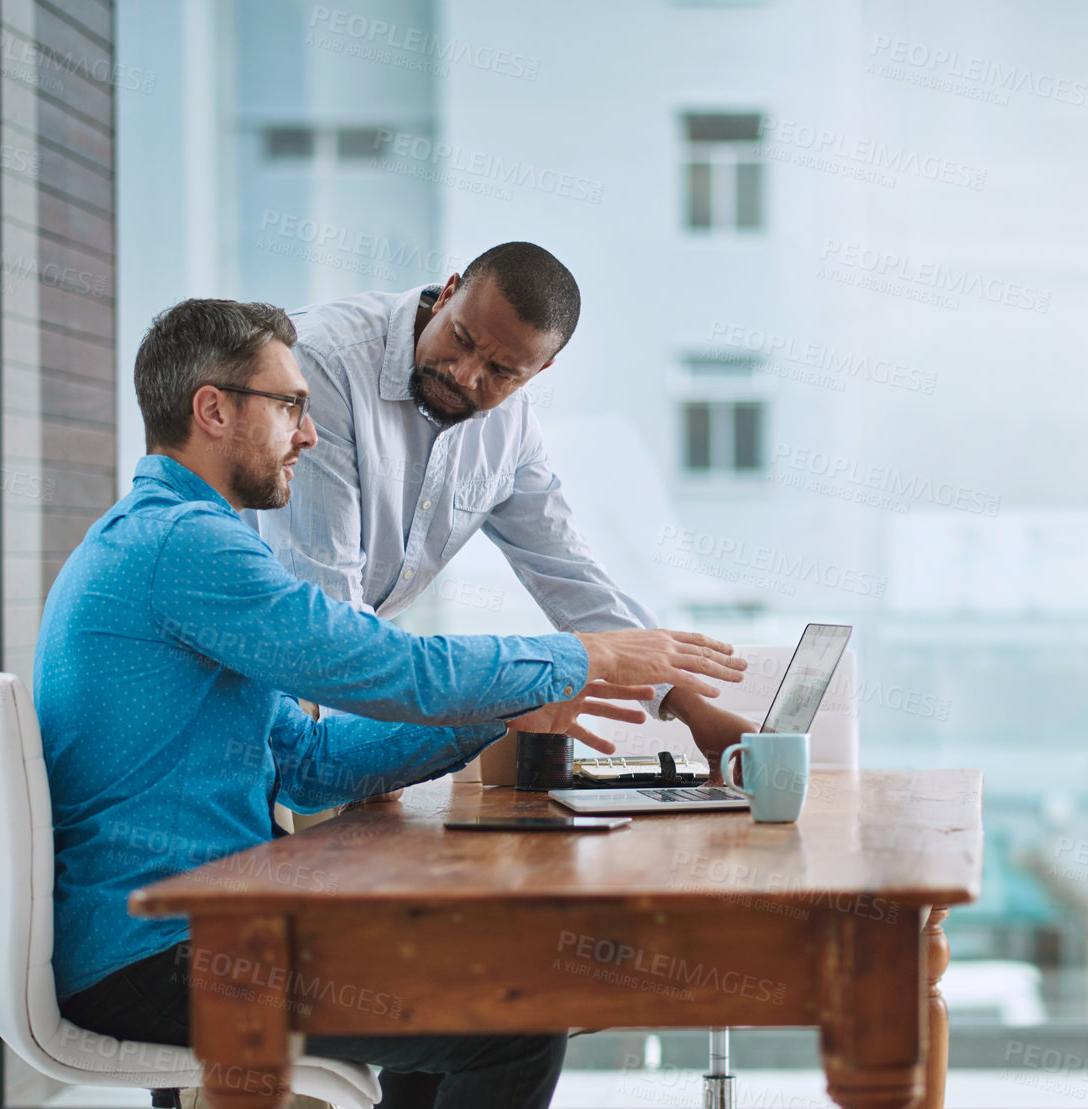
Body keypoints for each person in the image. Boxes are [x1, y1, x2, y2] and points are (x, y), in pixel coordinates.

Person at [39, 298, 745, 1109]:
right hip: (158, 953)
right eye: (290, 407)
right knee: (513, 1023)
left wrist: (507, 709)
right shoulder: (186, 547)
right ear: (214, 410)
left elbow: (312, 762)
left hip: (186, 934)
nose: (309, 435)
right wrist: (576, 656)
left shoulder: (181, 538)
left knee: (480, 996)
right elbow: (382, 666)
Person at [248, 241, 756, 777]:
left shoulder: (511, 428)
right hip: (261, 676)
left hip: (350, 680)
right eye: (461, 339)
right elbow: (329, 608)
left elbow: (569, 574)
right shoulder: (325, 362)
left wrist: (698, 713)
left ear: (539, 371)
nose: (465, 376)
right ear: (447, 294)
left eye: (502, 371)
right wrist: (507, 695)